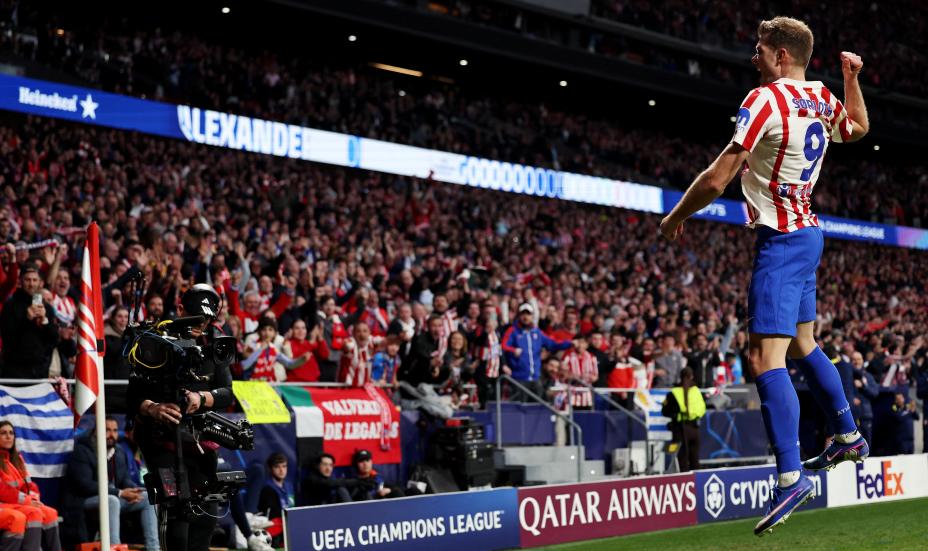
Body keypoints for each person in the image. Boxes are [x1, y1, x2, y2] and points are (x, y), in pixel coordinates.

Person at [660, 16, 870, 535]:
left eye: (759, 49)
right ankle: (848, 435)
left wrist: (676, 216)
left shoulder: (764, 100)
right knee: (803, 343)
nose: (752, 57)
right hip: (809, 233)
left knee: (762, 358)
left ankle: (790, 477)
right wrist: (851, 79)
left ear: (781, 56)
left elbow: (718, 177)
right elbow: (857, 128)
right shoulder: (820, 96)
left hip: (781, 241)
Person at [126, 283, 235, 551]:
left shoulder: (216, 341)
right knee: (177, 517)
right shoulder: (154, 340)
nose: (201, 325)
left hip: (200, 440)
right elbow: (131, 396)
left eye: (206, 320)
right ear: (180, 309)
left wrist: (202, 398)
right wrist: (153, 408)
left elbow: (227, 393)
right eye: (196, 318)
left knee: (206, 516)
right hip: (162, 440)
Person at [60, 417, 159, 551]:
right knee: (111, 501)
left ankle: (154, 547)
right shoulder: (82, 450)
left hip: (113, 496)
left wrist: (135, 489)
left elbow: (124, 479)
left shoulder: (118, 451)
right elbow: (84, 485)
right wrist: (120, 493)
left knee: (147, 498)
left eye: (115, 430)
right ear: (96, 431)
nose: (111, 434)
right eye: (107, 430)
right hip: (83, 500)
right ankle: (114, 547)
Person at [0, 421, 61, 551]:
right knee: (33, 513)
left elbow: (30, 485)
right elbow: (3, 490)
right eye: (3, 433)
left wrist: (34, 499)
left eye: (11, 433)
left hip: (17, 503)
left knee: (51, 513)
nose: (8, 436)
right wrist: (27, 501)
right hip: (4, 504)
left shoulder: (17, 459)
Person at [501, 303, 572, 401]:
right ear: (519, 315)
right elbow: (503, 346)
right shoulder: (512, 331)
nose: (525, 317)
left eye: (528, 314)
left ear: (532, 316)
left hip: (536, 378)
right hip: (519, 377)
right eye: (523, 314)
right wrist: (513, 350)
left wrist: (570, 343)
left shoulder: (537, 332)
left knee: (538, 406)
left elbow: (552, 344)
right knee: (519, 406)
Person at [0, 263, 59, 379]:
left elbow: (54, 339)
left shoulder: (47, 308)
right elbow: (8, 338)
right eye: (27, 280)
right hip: (14, 372)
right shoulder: (9, 306)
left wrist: (45, 321)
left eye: (34, 280)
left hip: (40, 371)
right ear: (20, 281)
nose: (31, 284)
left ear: (40, 282)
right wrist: (26, 319)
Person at [661, 367, 706, 472]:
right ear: (692, 377)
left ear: (680, 377)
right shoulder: (696, 391)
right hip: (694, 429)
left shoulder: (673, 393)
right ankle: (697, 481)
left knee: (682, 461)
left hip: (680, 430)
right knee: (695, 461)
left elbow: (665, 411)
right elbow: (702, 409)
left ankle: (685, 481)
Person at [303, 453, 373, 506]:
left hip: (333, 510)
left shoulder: (330, 478)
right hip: (316, 514)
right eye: (325, 464)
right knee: (341, 489)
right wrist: (358, 482)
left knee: (362, 489)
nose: (328, 468)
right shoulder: (312, 479)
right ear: (317, 466)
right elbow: (329, 483)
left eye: (331, 465)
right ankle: (352, 511)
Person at [256, 453, 294, 548]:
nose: (281, 470)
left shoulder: (289, 486)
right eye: (277, 467)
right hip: (274, 527)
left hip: (290, 523)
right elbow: (271, 516)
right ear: (270, 469)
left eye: (284, 466)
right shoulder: (267, 489)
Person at [850, 351, 878, 445]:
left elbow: (874, 393)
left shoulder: (868, 376)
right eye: (854, 360)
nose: (856, 362)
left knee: (866, 444)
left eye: (859, 359)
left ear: (862, 361)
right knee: (854, 445)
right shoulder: (847, 376)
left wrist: (863, 386)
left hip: (865, 415)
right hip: (852, 416)